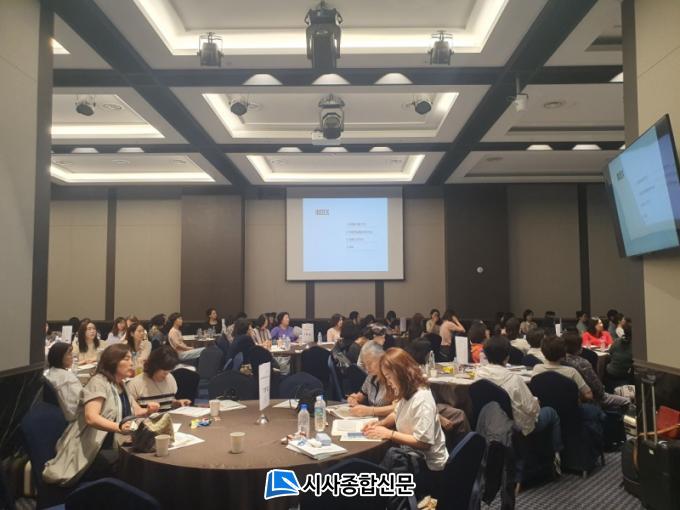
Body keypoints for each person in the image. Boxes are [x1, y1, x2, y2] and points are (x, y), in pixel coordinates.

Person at [43, 344, 159, 486]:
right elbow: (91, 417)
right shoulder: (99, 382)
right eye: (126, 359)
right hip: (95, 450)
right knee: (138, 465)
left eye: (131, 358)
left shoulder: (120, 384)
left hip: (114, 445)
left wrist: (148, 410)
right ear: (113, 362)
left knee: (146, 456)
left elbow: (136, 410)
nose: (131, 363)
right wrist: (119, 427)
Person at [363, 348, 448, 497]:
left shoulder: (422, 398)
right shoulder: (407, 392)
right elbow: (397, 412)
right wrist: (380, 424)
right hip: (412, 457)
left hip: (429, 469)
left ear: (400, 373)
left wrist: (390, 434)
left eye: (389, 377)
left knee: (384, 467)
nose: (388, 383)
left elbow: (424, 442)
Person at [476, 336, 563, 453]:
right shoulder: (514, 380)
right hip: (517, 427)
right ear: (507, 357)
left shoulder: (479, 375)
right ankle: (557, 453)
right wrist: (536, 402)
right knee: (551, 412)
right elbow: (531, 409)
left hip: (489, 423)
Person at [562, 331, 629, 412]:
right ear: (578, 347)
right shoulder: (582, 363)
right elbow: (598, 390)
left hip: (567, 399)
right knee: (626, 401)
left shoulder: (558, 360)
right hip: (589, 399)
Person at [126, 346, 191, 412]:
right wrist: (147, 411)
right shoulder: (135, 384)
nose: (166, 376)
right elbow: (131, 411)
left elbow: (168, 403)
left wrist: (177, 403)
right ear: (154, 366)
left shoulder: (170, 378)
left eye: (169, 372)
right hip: (146, 418)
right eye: (164, 372)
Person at [533, 335, 593, 401]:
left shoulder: (537, 368)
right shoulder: (572, 372)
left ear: (542, 351)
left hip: (545, 404)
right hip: (570, 406)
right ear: (564, 353)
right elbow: (589, 395)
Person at [347, 341, 392, 417]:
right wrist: (354, 399)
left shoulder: (392, 378)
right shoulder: (371, 377)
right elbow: (361, 395)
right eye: (365, 364)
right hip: (372, 420)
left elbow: (397, 407)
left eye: (370, 363)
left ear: (381, 358)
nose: (367, 368)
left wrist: (370, 411)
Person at [45, 342, 82, 421]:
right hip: (74, 418)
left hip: (58, 415)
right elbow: (80, 402)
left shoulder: (50, 372)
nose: (72, 357)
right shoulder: (69, 379)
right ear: (59, 357)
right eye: (69, 354)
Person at [606, 321, 634, 389]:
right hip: (623, 374)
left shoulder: (616, 341)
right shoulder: (634, 345)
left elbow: (610, 353)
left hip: (610, 372)